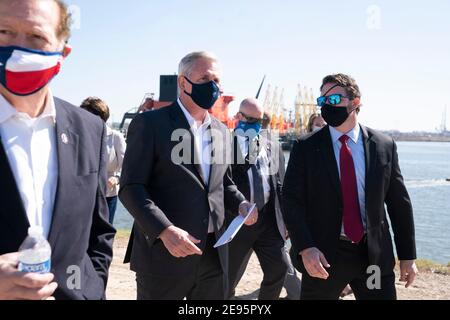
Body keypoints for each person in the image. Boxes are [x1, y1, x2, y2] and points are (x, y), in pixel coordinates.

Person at [119, 51, 258, 300]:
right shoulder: (150, 124)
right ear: (183, 82)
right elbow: (131, 187)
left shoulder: (222, 130)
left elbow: (223, 184)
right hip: (164, 255)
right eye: (206, 78)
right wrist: (165, 230)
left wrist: (241, 203)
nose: (214, 87)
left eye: (217, 81)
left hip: (213, 256)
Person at [0, 0, 115, 300]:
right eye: (4, 32)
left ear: (63, 52)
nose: (18, 49)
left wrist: (92, 289)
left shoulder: (90, 129)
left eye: (36, 37)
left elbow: (99, 232)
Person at [282, 73, 418, 300]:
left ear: (355, 102)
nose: (326, 105)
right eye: (322, 100)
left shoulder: (383, 145)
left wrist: (408, 256)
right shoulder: (306, 147)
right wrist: (305, 247)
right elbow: (291, 200)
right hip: (324, 257)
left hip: (372, 258)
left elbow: (399, 203)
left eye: (333, 99)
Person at [226, 99, 288, 300]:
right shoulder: (222, 146)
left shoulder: (272, 146)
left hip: (268, 222)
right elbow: (219, 186)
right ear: (239, 117)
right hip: (236, 223)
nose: (255, 124)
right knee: (227, 279)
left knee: (279, 269)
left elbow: (280, 185)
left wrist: (285, 220)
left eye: (259, 121)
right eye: (250, 119)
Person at [81, 97, 126, 225]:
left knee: (103, 237)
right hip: (85, 195)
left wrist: (116, 178)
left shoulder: (116, 137)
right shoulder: (80, 136)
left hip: (108, 195)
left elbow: (128, 167)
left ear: (100, 117)